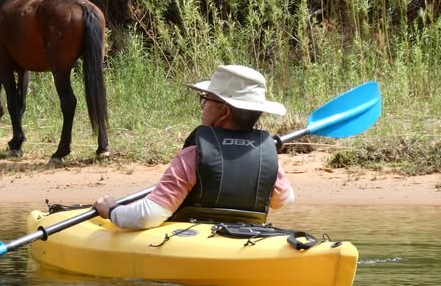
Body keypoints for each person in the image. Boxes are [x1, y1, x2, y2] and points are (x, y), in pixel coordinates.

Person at [93, 64, 294, 228]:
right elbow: (283, 200)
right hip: (244, 238)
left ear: (224, 112)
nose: (203, 106)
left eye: (205, 99)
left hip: (194, 240)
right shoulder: (267, 157)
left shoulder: (195, 155)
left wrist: (112, 210)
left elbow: (148, 215)